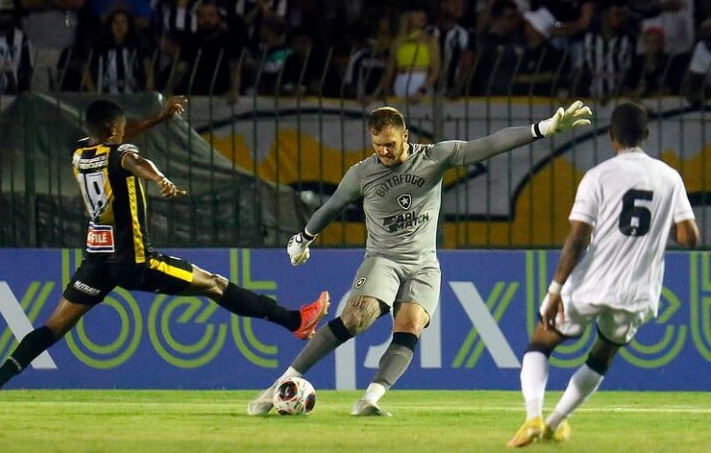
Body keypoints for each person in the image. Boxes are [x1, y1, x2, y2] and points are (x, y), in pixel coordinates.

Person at [0, 97, 331, 421]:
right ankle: (295, 320)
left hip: (96, 262)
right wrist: (161, 179)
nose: (127, 133)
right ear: (113, 131)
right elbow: (135, 160)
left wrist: (159, 118)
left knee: (51, 328)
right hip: (136, 261)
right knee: (215, 284)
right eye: (122, 129)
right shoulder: (119, 155)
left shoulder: (81, 153)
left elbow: (125, 139)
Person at [248, 101, 593, 417]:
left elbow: (486, 145)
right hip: (383, 258)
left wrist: (542, 129)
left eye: (391, 144)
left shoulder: (434, 157)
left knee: (410, 324)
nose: (384, 151)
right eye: (377, 144)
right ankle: (278, 385)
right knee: (356, 318)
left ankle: (370, 399)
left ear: (406, 136)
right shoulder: (362, 174)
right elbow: (332, 206)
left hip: (424, 263)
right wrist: (303, 238)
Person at [506, 102, 699, 447]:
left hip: (591, 285)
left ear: (611, 137)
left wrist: (554, 291)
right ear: (646, 134)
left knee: (541, 341)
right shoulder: (670, 177)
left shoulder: (598, 176)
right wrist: (661, 219)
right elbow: (689, 238)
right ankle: (554, 423)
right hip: (637, 293)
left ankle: (533, 416)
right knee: (603, 352)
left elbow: (578, 238)